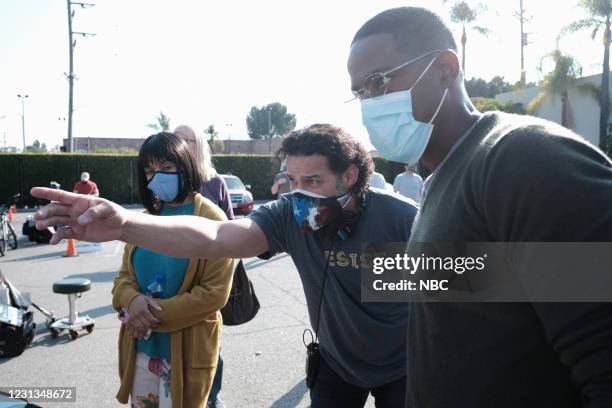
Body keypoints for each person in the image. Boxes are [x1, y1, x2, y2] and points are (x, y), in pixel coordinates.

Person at [31, 124, 418, 407]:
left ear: (349, 176)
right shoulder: (289, 214)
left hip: (404, 367)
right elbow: (218, 237)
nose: (299, 191)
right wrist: (126, 225)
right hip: (335, 365)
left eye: (313, 180)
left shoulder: (403, 220)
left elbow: (469, 287)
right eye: (292, 179)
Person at [348, 6, 612, 407]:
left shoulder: (523, 158)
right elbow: (491, 290)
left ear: (444, 69)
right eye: (360, 92)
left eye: (379, 81)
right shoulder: (440, 181)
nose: (369, 103)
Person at [111, 132, 234, 407]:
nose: (158, 176)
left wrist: (145, 314)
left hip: (186, 353)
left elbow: (213, 294)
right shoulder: (142, 221)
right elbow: (122, 278)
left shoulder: (212, 218)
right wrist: (131, 300)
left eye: (167, 167)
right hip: (141, 349)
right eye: (150, 170)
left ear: (185, 165)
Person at [174, 124, 232, 408]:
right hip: (174, 270)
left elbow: (232, 230)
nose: (182, 143)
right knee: (175, 335)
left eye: (188, 139)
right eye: (176, 138)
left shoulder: (215, 182)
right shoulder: (167, 181)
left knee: (210, 339)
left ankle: (212, 396)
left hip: (209, 273)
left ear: (199, 145)